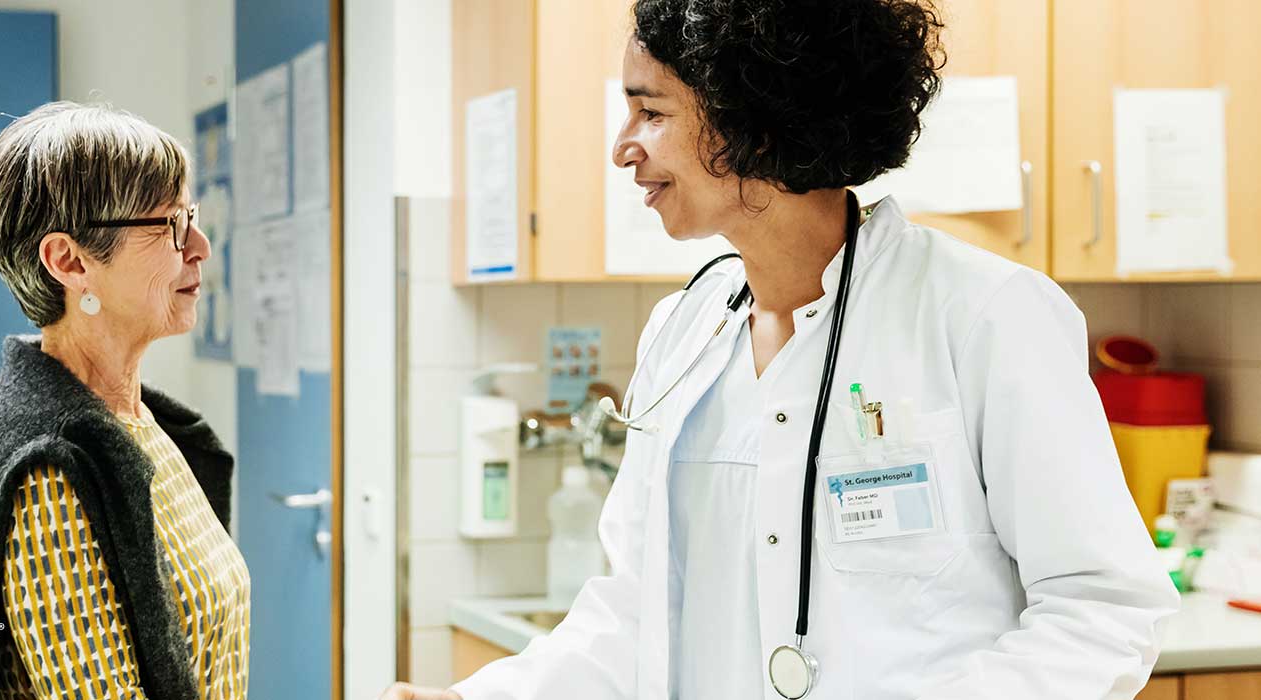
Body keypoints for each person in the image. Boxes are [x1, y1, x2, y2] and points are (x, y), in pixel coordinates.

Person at [381, 1, 1177, 698]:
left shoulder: (983, 317)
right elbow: (635, 611)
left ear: (754, 118)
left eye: (650, 112)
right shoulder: (682, 335)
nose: (624, 148)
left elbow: (1104, 606)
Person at [0, 102, 247, 700]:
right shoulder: (51, 472)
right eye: (169, 225)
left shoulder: (140, 421)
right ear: (70, 262)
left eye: (190, 216)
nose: (198, 244)